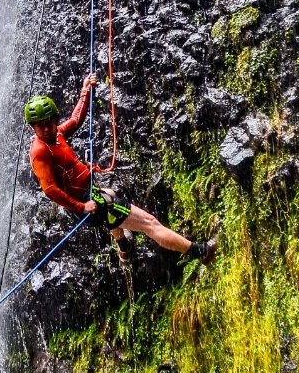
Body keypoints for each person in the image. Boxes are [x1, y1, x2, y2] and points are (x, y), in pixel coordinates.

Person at [25, 73, 217, 264]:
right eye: (40, 126)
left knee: (111, 194)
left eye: (49, 123)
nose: (47, 129)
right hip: (88, 203)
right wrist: (82, 207)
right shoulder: (40, 151)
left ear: (54, 119)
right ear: (33, 128)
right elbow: (50, 190)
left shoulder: (56, 134)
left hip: (90, 193)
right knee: (149, 223)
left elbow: (76, 120)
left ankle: (123, 247)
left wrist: (86, 91)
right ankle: (201, 252)